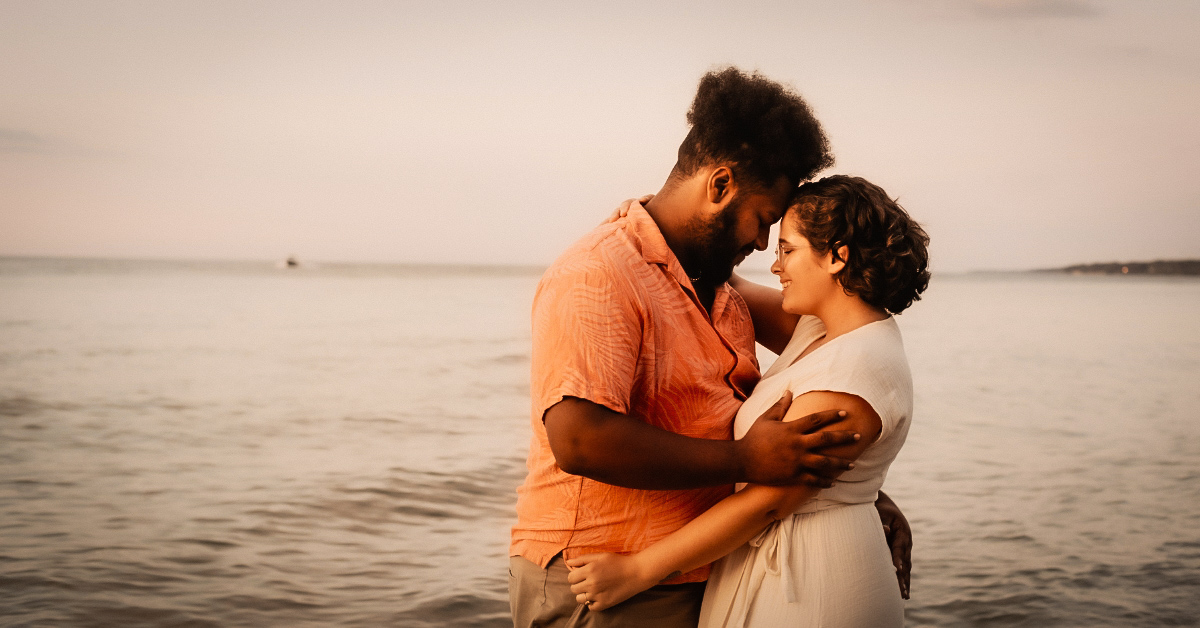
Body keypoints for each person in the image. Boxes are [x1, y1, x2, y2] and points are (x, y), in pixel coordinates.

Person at [510, 67, 912, 628]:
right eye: (763, 220)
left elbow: (848, 348)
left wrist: (855, 489)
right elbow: (578, 439)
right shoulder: (599, 274)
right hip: (605, 575)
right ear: (720, 185)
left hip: (698, 566)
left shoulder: (719, 285)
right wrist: (746, 460)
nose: (762, 244)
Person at [565, 175, 930, 627]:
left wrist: (636, 571)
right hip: (786, 562)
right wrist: (652, 223)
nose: (775, 266)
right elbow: (722, 279)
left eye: (788, 250)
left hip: (813, 584)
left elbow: (769, 502)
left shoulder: (855, 366)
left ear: (837, 257)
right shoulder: (821, 331)